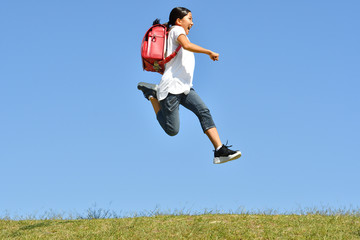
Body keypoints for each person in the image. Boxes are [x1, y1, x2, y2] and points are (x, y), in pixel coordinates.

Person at [138, 7, 241, 164]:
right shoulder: (176, 31)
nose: (193, 23)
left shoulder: (177, 35)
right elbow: (186, 45)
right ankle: (151, 94)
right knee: (172, 130)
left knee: (204, 111)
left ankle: (219, 150)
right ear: (179, 21)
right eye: (190, 19)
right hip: (171, 89)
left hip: (185, 88)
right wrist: (208, 52)